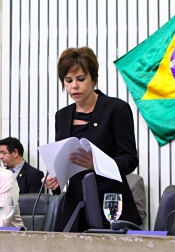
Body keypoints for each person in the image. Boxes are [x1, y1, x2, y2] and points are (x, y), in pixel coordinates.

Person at [43, 46, 142, 231]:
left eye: (81, 79)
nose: (74, 86)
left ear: (93, 78)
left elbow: (129, 160)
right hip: (74, 205)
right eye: (68, 80)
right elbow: (64, 160)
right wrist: (54, 179)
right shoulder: (62, 116)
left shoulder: (116, 109)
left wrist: (97, 163)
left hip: (110, 202)